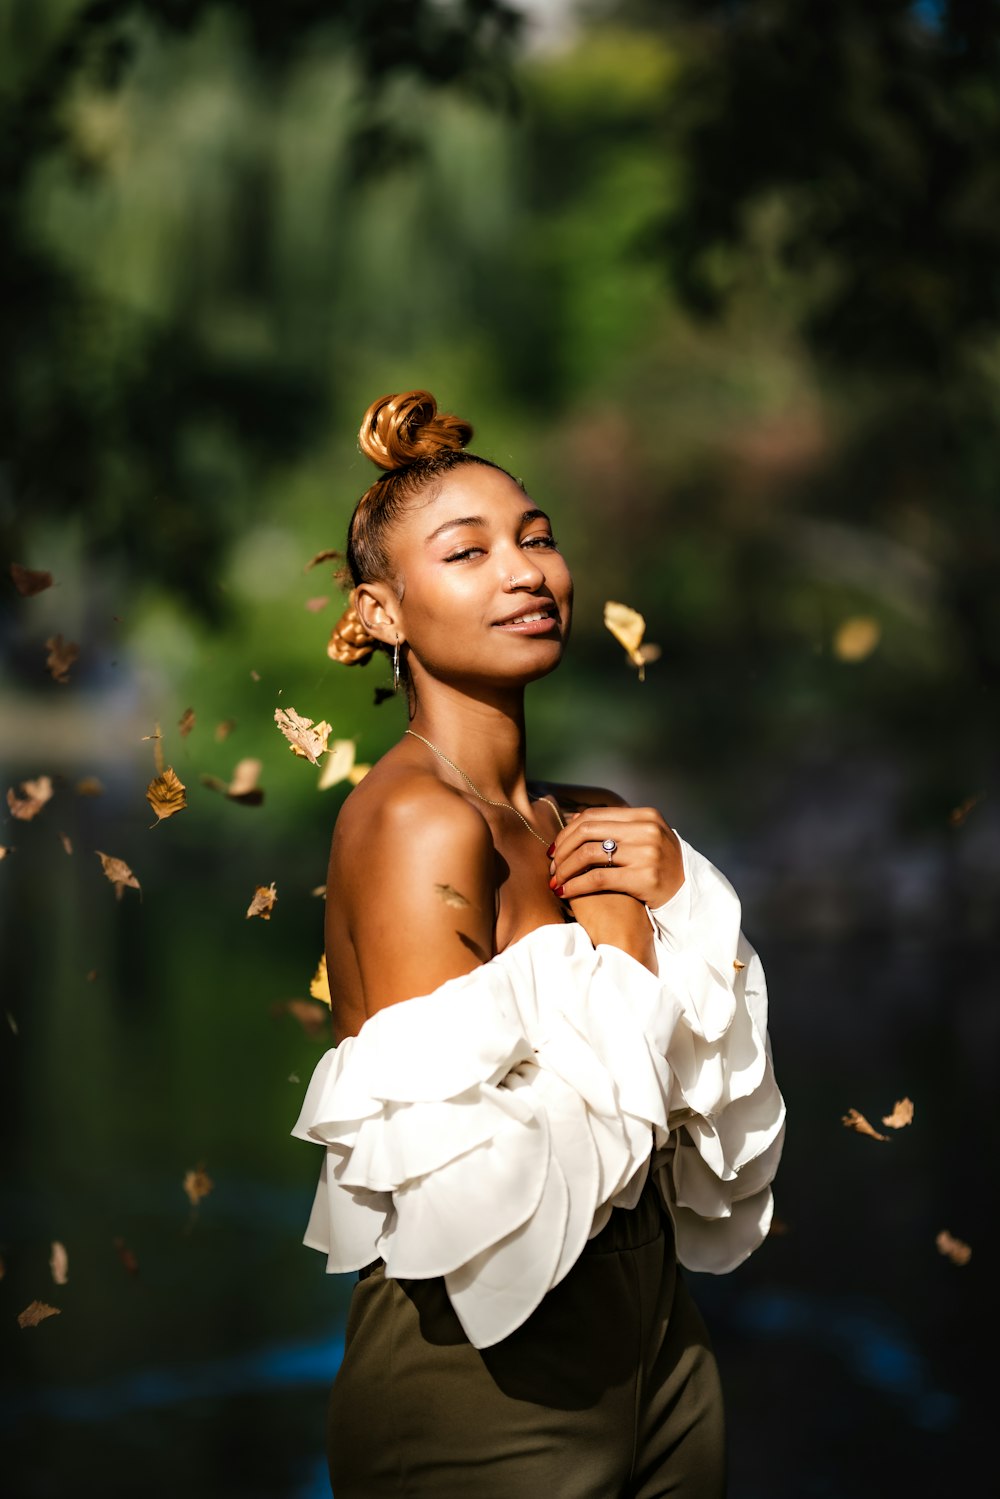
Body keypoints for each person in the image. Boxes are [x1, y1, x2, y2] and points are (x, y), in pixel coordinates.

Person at [292, 389, 785, 1498]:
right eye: (467, 551)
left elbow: (703, 1106)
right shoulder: (418, 820)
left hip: (661, 1336)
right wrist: (620, 931)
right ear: (381, 611)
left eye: (539, 537)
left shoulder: (592, 812)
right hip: (486, 1357)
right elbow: (478, 1176)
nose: (526, 571)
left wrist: (684, 891)